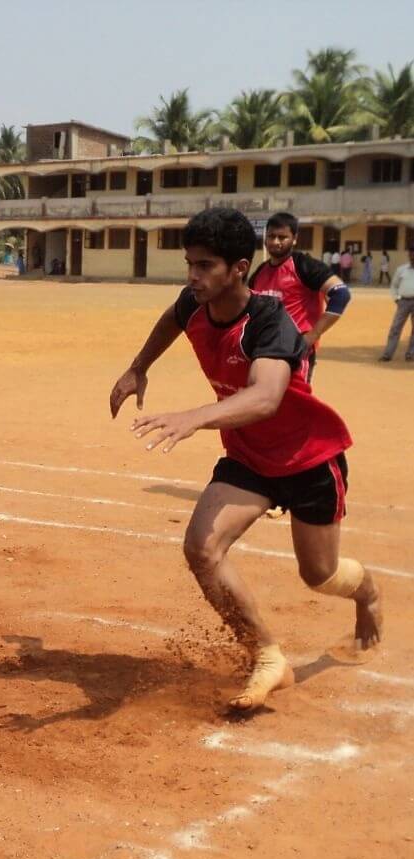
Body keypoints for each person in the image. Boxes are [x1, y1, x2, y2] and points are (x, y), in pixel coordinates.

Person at [109, 207, 380, 712]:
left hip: (308, 460)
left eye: (205, 265)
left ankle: (366, 595)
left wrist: (197, 416)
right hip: (250, 459)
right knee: (202, 549)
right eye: (190, 263)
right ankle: (267, 655)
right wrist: (137, 368)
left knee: (318, 574)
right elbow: (171, 320)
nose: (193, 276)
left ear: (237, 267)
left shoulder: (269, 322)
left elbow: (265, 398)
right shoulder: (193, 302)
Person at [247, 212, 349, 381]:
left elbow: (340, 294)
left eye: (282, 237)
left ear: (294, 239)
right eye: (271, 236)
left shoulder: (304, 265)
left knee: (295, 404)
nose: (275, 242)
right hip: (264, 350)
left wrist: (313, 335)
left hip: (296, 351)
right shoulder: (260, 272)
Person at [379, 246, 414, 362]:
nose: (412, 256)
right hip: (403, 302)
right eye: (411, 253)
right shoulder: (401, 269)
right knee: (395, 328)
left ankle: (411, 354)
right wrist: (397, 299)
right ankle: (387, 354)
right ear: (409, 255)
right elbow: (394, 285)